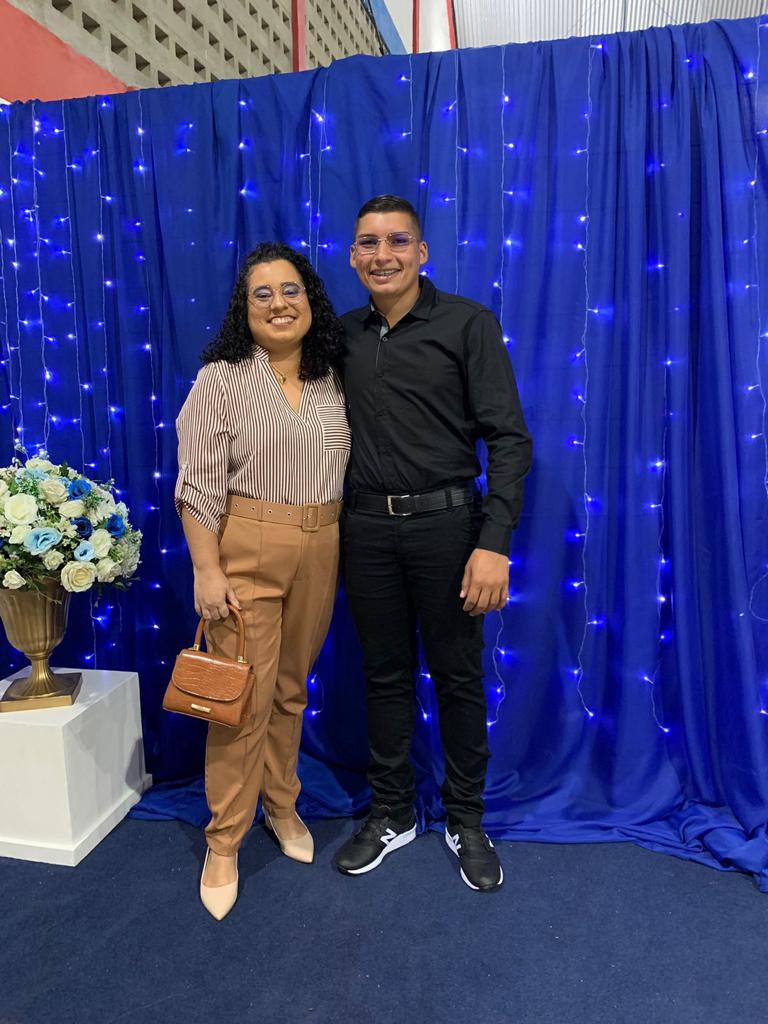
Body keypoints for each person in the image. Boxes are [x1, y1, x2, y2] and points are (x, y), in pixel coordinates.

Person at [333, 195, 532, 891]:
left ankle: (466, 819)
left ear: (421, 252)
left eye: (397, 241)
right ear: (352, 256)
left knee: (457, 676)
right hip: (363, 530)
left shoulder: (467, 324)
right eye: (368, 242)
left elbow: (509, 439)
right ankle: (391, 813)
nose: (382, 254)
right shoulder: (339, 336)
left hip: (449, 528)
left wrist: (494, 542)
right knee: (383, 675)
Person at [175, 242, 349, 919]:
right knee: (239, 697)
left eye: (290, 290)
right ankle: (224, 839)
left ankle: (281, 804)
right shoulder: (221, 379)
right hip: (247, 545)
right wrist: (206, 568)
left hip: (323, 543)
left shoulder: (332, 377)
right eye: (263, 294)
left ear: (310, 300)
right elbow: (197, 485)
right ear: (243, 309)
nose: (279, 303)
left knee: (290, 690)